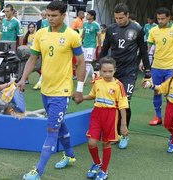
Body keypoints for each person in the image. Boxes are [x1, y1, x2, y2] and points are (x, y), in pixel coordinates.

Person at [17, 1, 86, 179]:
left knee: (52, 130)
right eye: (48, 15)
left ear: (63, 16)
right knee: (59, 124)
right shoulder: (40, 33)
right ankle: (70, 156)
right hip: (45, 90)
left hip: (62, 92)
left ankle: (38, 170)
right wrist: (23, 79)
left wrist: (79, 89)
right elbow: (33, 59)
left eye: (54, 15)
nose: (50, 18)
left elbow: (81, 63)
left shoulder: (72, 35)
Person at [98, 3, 151, 149]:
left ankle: (124, 134)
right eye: (116, 18)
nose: (118, 21)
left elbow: (144, 51)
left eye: (121, 18)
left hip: (130, 71)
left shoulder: (137, 29)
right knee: (113, 103)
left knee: (125, 103)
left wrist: (147, 71)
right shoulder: (111, 29)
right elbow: (104, 50)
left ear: (128, 15)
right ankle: (114, 132)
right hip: (113, 72)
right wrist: (98, 67)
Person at [80, 57, 128, 180]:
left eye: (110, 71)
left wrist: (123, 124)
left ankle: (104, 170)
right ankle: (97, 162)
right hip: (97, 114)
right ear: (100, 71)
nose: (107, 74)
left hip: (111, 115)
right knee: (91, 142)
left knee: (106, 143)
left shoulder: (118, 85)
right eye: (104, 71)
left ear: (115, 70)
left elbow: (123, 106)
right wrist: (82, 98)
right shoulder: (97, 81)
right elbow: (92, 95)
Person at [147, 7, 173, 126]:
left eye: (163, 18)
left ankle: (170, 116)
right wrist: (143, 61)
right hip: (156, 66)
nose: (160, 21)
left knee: (171, 93)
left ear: (169, 18)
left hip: (171, 67)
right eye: (158, 19)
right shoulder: (153, 31)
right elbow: (148, 47)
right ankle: (158, 116)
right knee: (157, 91)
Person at [82, 10, 101, 83]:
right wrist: (80, 41)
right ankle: (95, 74)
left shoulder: (96, 25)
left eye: (88, 15)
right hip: (84, 45)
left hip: (91, 46)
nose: (86, 16)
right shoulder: (85, 23)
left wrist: (99, 47)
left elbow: (99, 37)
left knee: (88, 62)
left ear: (92, 16)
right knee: (84, 62)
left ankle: (83, 81)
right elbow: (83, 34)